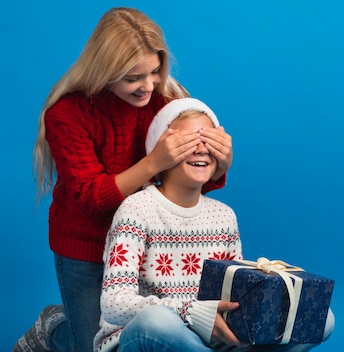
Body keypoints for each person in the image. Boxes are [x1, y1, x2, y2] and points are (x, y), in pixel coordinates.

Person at [13, 7, 233, 352]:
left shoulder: (169, 101)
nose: (148, 85)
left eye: (155, 72)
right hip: (85, 245)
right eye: (133, 77)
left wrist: (220, 164)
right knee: (93, 345)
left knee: (142, 334)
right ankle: (54, 328)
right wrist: (153, 162)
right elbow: (91, 198)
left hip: (146, 242)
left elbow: (189, 179)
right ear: (105, 71)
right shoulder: (67, 114)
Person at [94, 98, 333, 352]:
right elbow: (115, 304)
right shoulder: (136, 210)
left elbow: (233, 294)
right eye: (188, 142)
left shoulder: (224, 216)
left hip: (210, 340)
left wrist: (269, 295)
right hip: (149, 336)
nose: (201, 150)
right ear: (161, 150)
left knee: (319, 317)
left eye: (210, 141)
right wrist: (190, 311)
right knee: (158, 321)